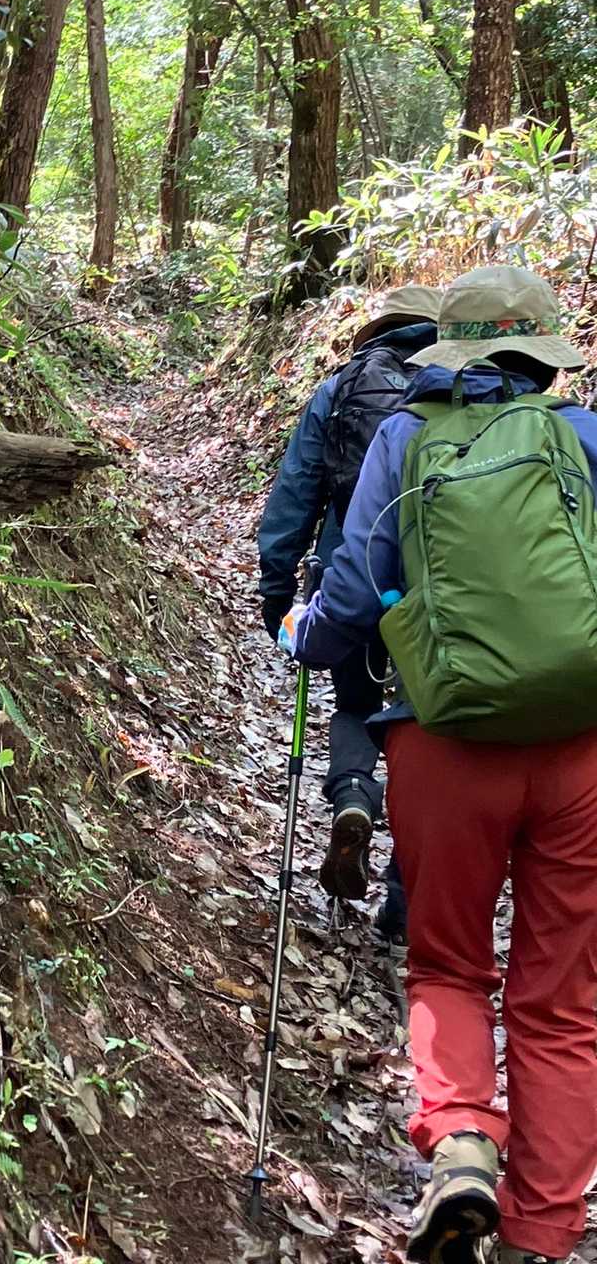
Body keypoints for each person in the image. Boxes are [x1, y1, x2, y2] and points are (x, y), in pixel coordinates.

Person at [286, 265, 597, 1264]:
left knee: (451, 964)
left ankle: (462, 1139)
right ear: (543, 354)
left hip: (441, 739)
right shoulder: (587, 438)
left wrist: (304, 636)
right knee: (562, 1001)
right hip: (582, 751)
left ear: (450, 351)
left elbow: (352, 589)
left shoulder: (405, 436)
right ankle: (543, 1230)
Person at [257, 284, 442, 938]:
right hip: (440, 591)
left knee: (357, 705)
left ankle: (354, 799)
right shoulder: (466, 392)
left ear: (380, 330)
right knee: (427, 730)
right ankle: (403, 898)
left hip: (351, 576)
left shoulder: (341, 388)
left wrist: (277, 591)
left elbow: (295, 494)